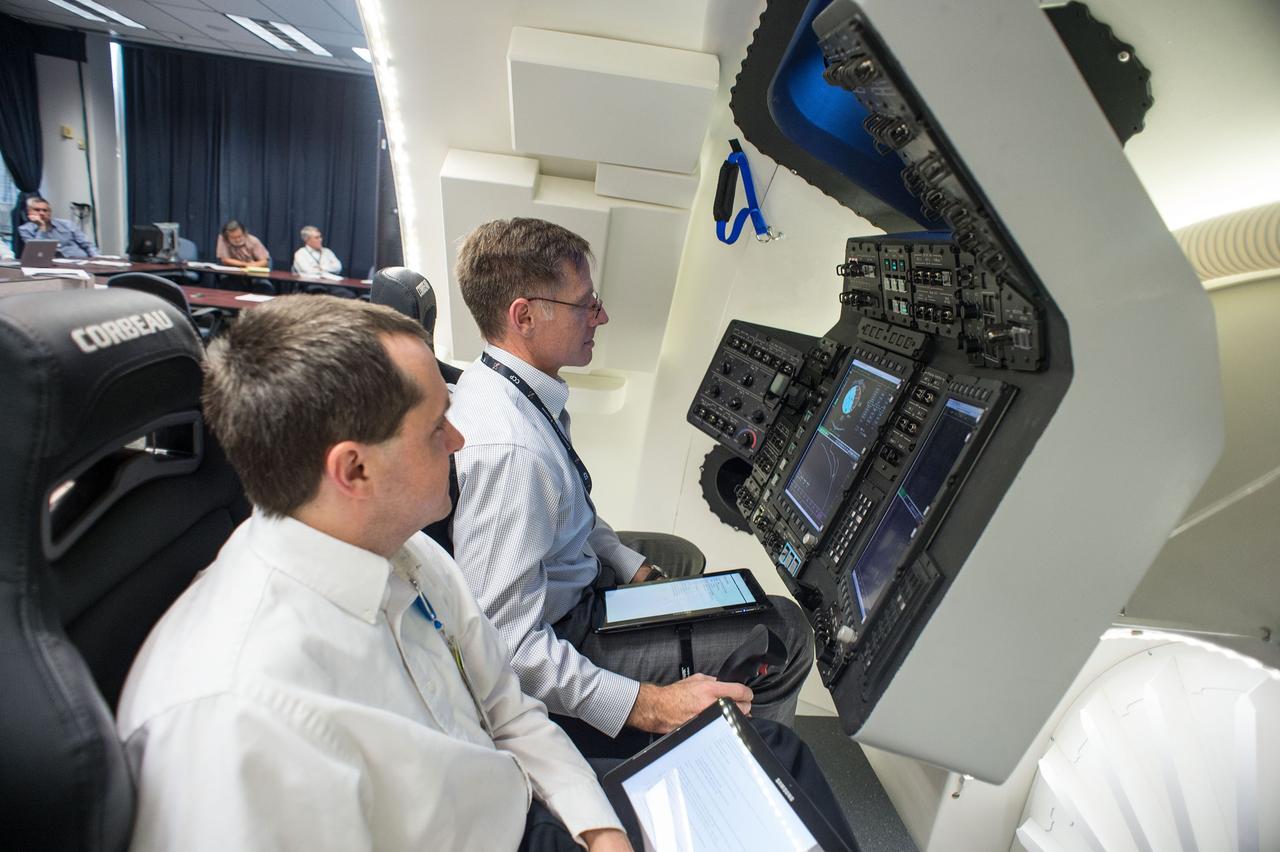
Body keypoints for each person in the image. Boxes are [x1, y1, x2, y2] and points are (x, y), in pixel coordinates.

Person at [116, 295, 632, 852]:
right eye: (436, 427)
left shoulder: (407, 550)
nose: (458, 440)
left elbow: (508, 712)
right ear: (354, 469)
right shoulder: (240, 717)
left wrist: (598, 829)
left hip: (532, 806)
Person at [448, 217, 815, 742]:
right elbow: (508, 648)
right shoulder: (511, 451)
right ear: (524, 316)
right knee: (786, 631)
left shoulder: (515, 387)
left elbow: (568, 506)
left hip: (570, 587)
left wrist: (628, 565)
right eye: (585, 304)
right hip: (562, 635)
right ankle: (753, 764)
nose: (601, 316)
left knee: (677, 558)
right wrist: (650, 706)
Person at [17, 195, 97, 258]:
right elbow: (38, 253)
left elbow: (87, 244)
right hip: (53, 265)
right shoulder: (25, 230)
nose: (42, 213)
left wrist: (97, 258)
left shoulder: (67, 224)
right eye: (37, 210)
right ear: (29, 212)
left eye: (45, 210)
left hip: (80, 260)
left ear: (50, 212)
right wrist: (41, 227)